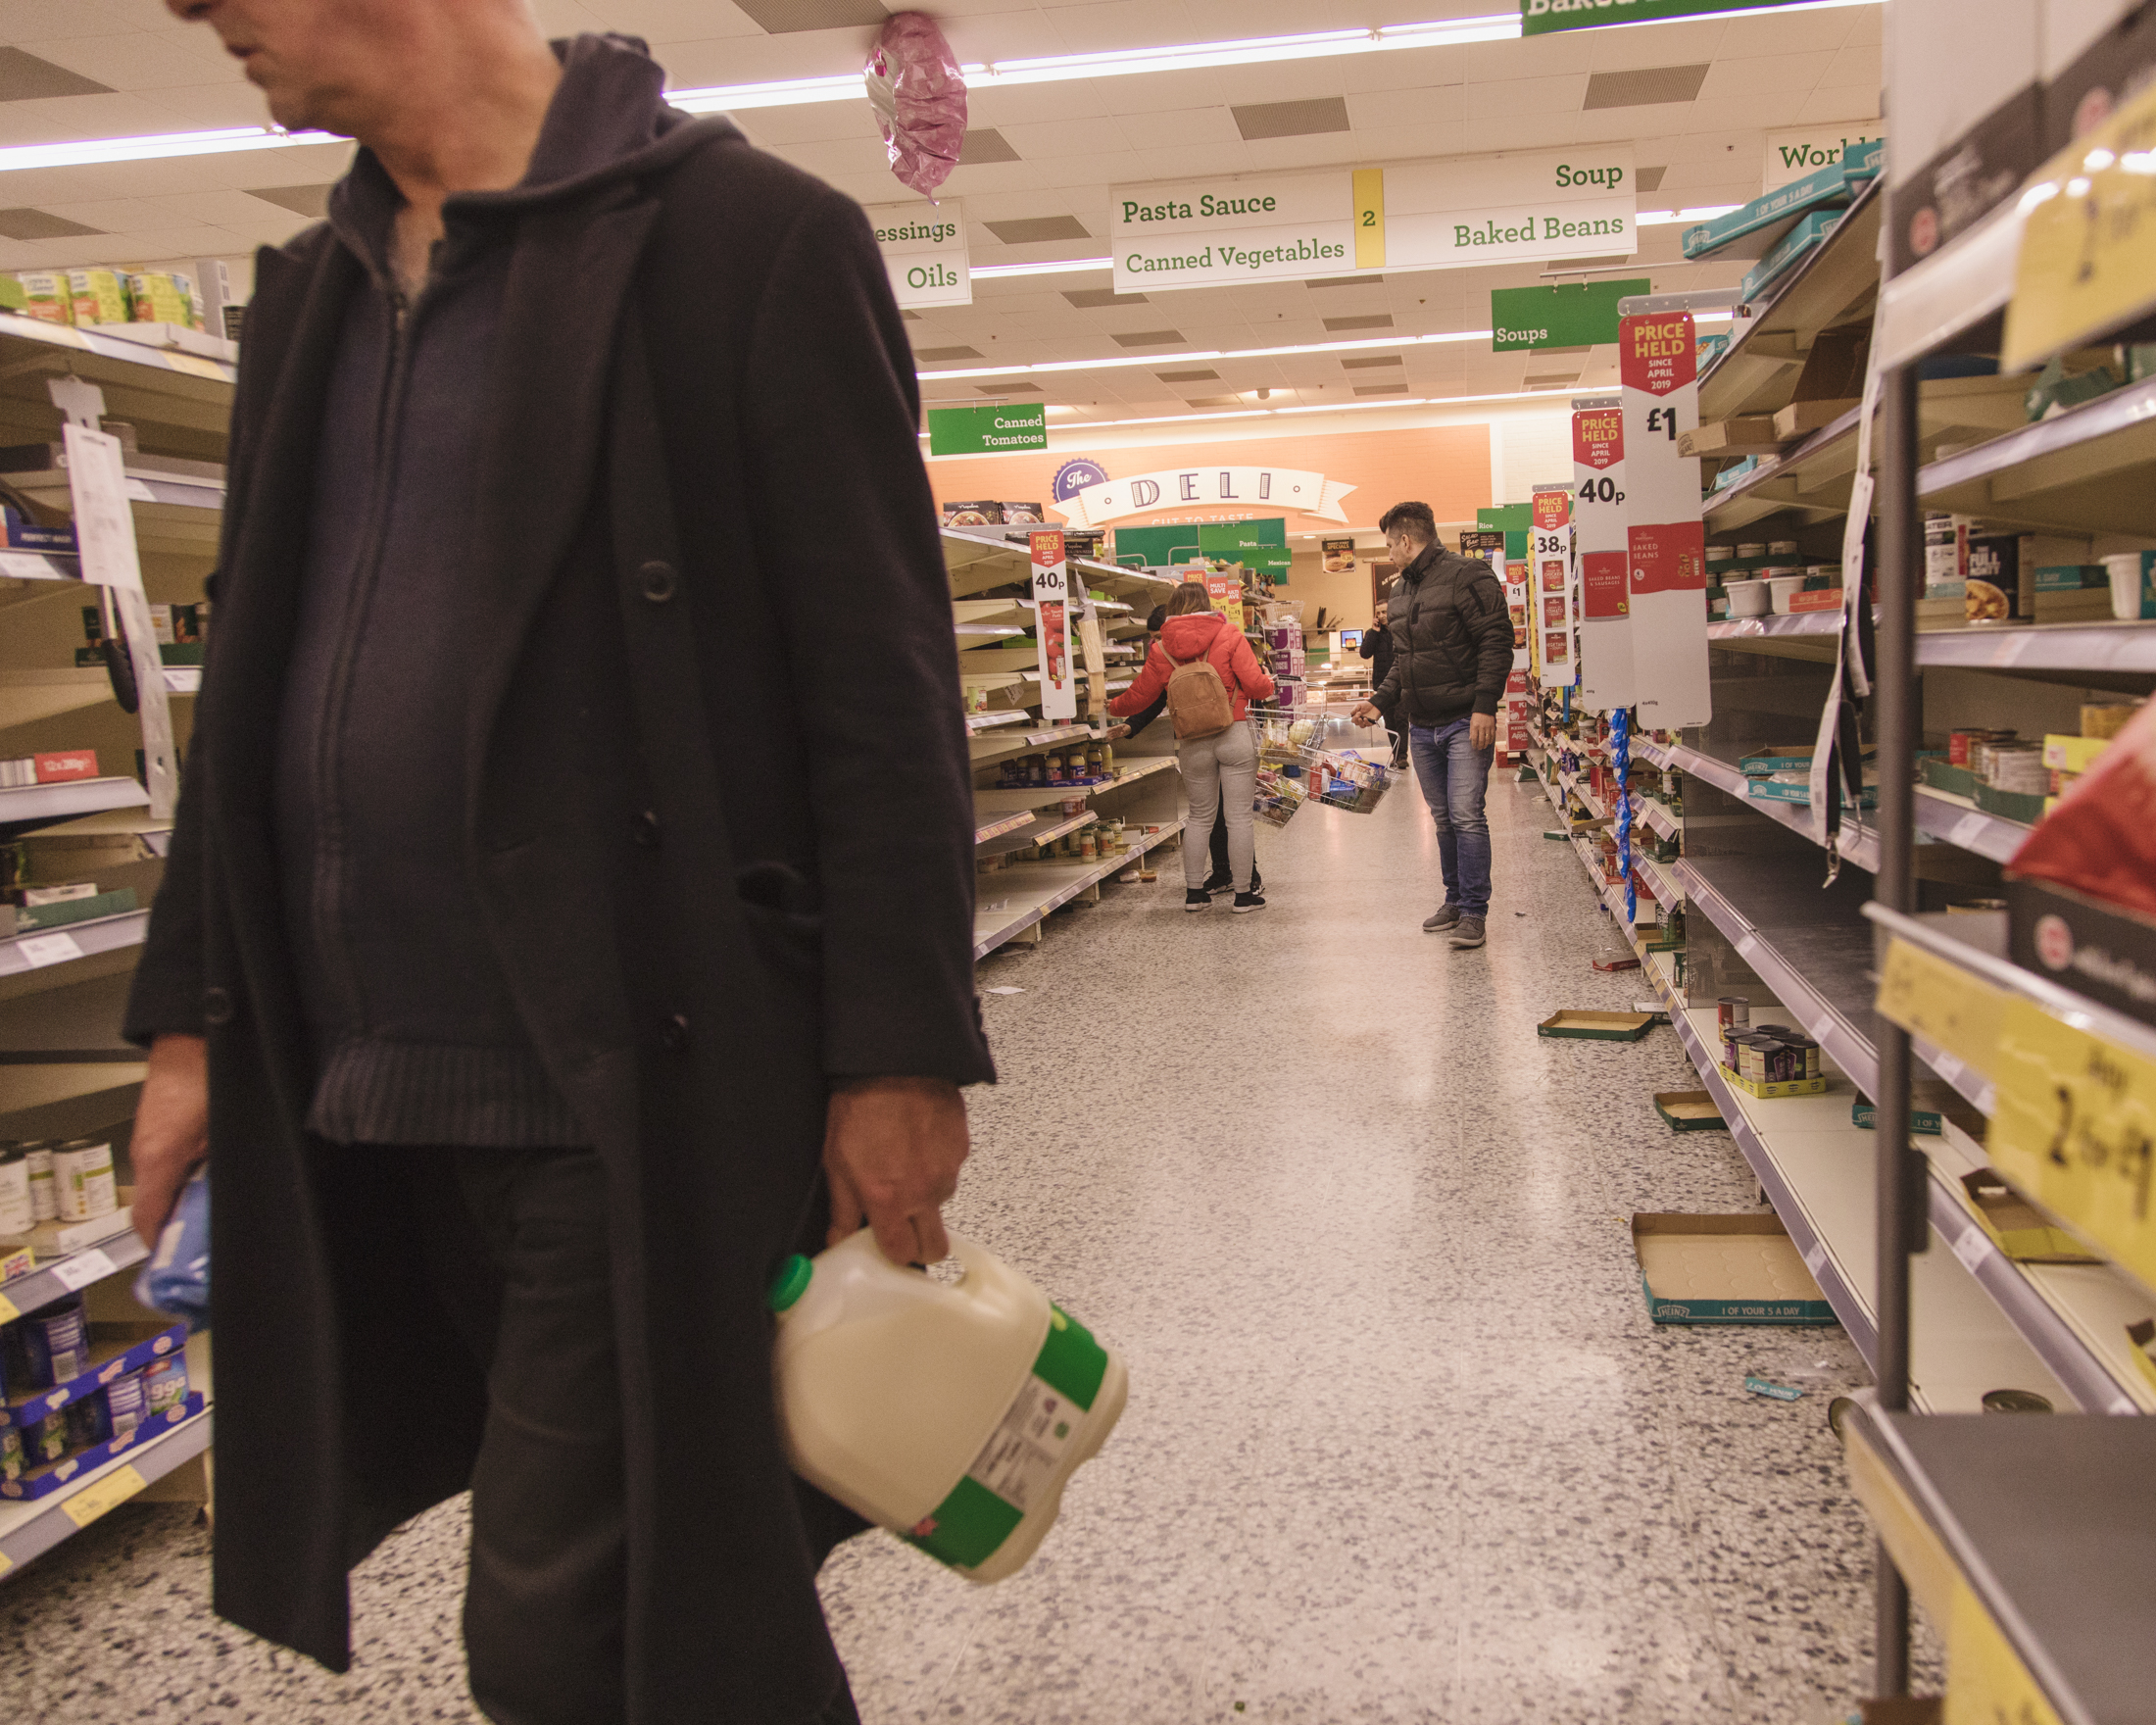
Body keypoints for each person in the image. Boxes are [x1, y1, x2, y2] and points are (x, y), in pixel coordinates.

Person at [123, 7, 992, 1724]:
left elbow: (881, 688)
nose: (190, 9)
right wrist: (186, 1022)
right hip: (352, 1084)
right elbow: (253, 704)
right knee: (685, 1581)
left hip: (623, 1081)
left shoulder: (745, 245)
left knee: (566, 1625)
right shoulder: (305, 300)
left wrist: (897, 1047)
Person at [1352, 502, 1513, 950]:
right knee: (1443, 818)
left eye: (1389, 544)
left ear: (1406, 540)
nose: (1389, 553)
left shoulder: (1469, 576)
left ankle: (1475, 913)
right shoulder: (1401, 589)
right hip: (1421, 726)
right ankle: (1455, 899)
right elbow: (1404, 661)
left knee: (1466, 815)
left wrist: (1485, 705)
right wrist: (1378, 702)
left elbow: (1497, 641)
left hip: (1465, 720)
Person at [1107, 582, 1275, 912]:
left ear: (1173, 608)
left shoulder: (1160, 649)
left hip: (1191, 741)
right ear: (1206, 603)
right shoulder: (1229, 634)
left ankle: (1194, 894)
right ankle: (1243, 895)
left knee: (1199, 818)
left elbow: (1141, 695)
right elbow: (1257, 686)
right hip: (1233, 731)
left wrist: (1112, 706)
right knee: (1238, 817)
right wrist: (1269, 682)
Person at [1358, 599, 1406, 766]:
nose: (1381, 616)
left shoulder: (1400, 629)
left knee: (1401, 718)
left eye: (1384, 612)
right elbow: (1364, 653)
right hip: (1382, 684)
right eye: (1378, 613)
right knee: (1390, 721)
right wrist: (1373, 632)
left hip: (1401, 682)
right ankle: (1397, 754)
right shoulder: (1373, 634)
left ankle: (1402, 756)